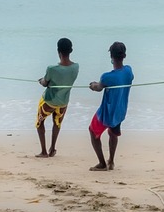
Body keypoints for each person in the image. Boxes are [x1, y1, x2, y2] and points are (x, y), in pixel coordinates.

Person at [88, 41, 133, 171]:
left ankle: (102, 164)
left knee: (92, 131)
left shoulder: (107, 77)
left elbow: (98, 88)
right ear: (124, 56)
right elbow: (113, 81)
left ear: (111, 57)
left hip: (107, 112)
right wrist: (100, 84)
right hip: (120, 111)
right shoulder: (129, 71)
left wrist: (93, 85)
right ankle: (111, 161)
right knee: (113, 133)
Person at [35, 37, 79, 157]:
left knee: (39, 123)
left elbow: (45, 82)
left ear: (58, 51)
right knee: (57, 124)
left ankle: (44, 151)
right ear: (71, 50)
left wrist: (41, 81)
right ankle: (52, 149)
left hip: (49, 101)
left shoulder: (52, 69)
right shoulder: (76, 67)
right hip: (63, 102)